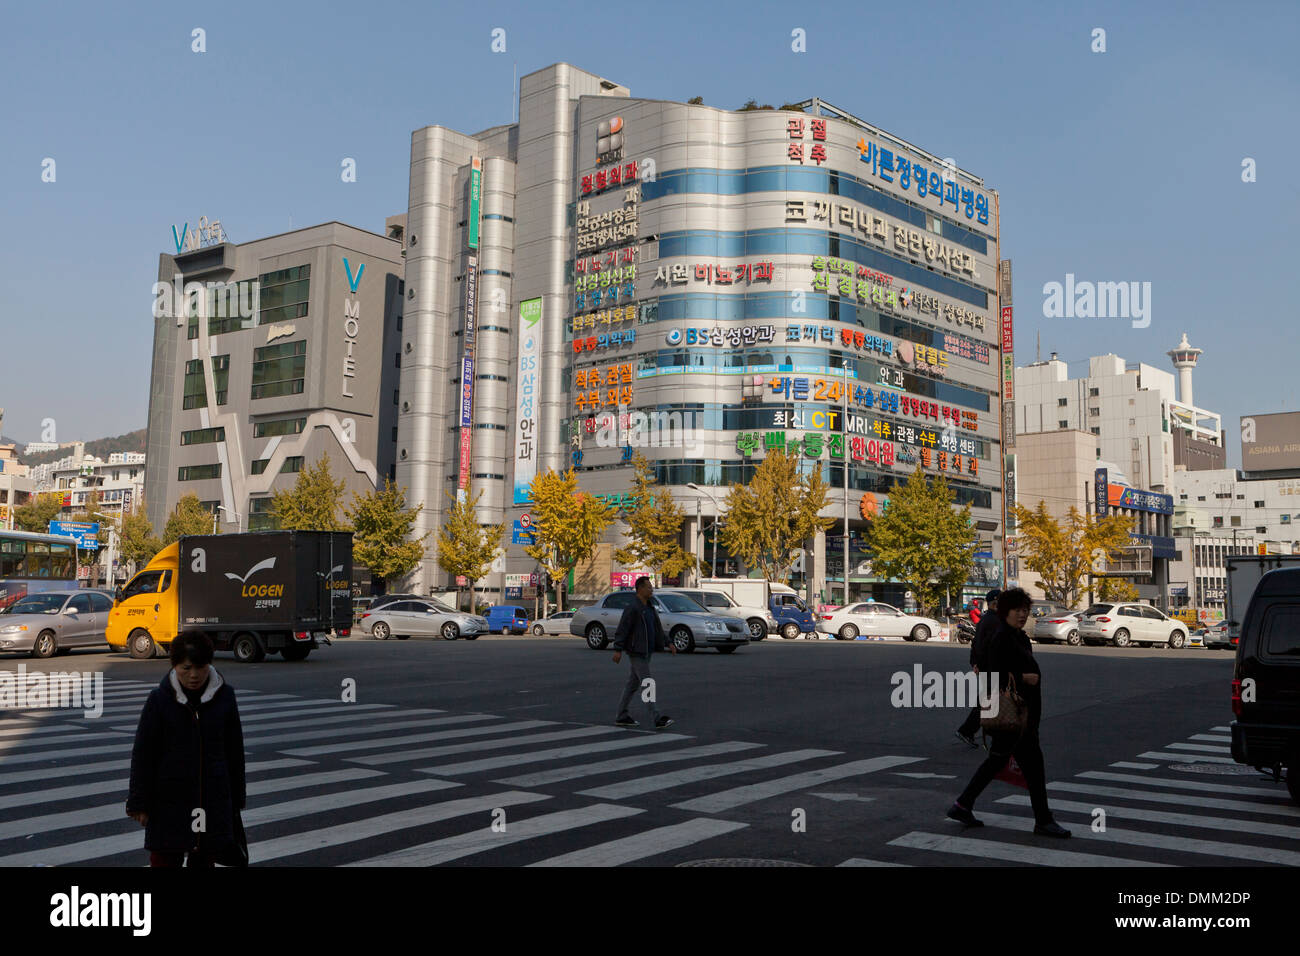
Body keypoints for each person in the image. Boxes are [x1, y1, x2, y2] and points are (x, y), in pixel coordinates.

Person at [947, 588, 1070, 838]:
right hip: (1014, 716)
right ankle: (1043, 821)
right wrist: (1024, 678)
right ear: (1006, 611)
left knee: (997, 761)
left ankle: (963, 804)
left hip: (1021, 714)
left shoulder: (1017, 636)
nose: (1023, 614)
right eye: (1018, 610)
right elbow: (992, 675)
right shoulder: (1002, 636)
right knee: (1033, 768)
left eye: (1026, 610)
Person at [126, 631, 247, 866]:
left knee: (204, 856)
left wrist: (237, 799)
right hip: (168, 798)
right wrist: (138, 802)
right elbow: (143, 753)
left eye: (200, 668)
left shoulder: (225, 697)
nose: (194, 675)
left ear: (209, 664)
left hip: (211, 797)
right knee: (164, 856)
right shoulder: (159, 700)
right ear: (174, 666)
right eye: (186, 668)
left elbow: (234, 751)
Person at [612, 576, 677, 729]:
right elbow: (623, 629)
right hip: (636, 651)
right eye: (648, 587)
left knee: (632, 685)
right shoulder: (633, 608)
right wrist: (618, 649)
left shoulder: (649, 607)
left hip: (647, 651)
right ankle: (656, 717)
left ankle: (621, 716)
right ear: (640, 589)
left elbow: (657, 628)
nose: (651, 590)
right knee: (647, 683)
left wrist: (668, 642)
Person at [955, 589, 1002, 746]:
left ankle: (978, 731)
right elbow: (986, 646)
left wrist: (974, 663)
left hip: (986, 667)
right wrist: (978, 663)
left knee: (988, 701)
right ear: (992, 604)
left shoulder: (987, 619)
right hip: (991, 668)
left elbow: (976, 644)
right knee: (987, 701)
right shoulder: (994, 621)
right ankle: (968, 731)